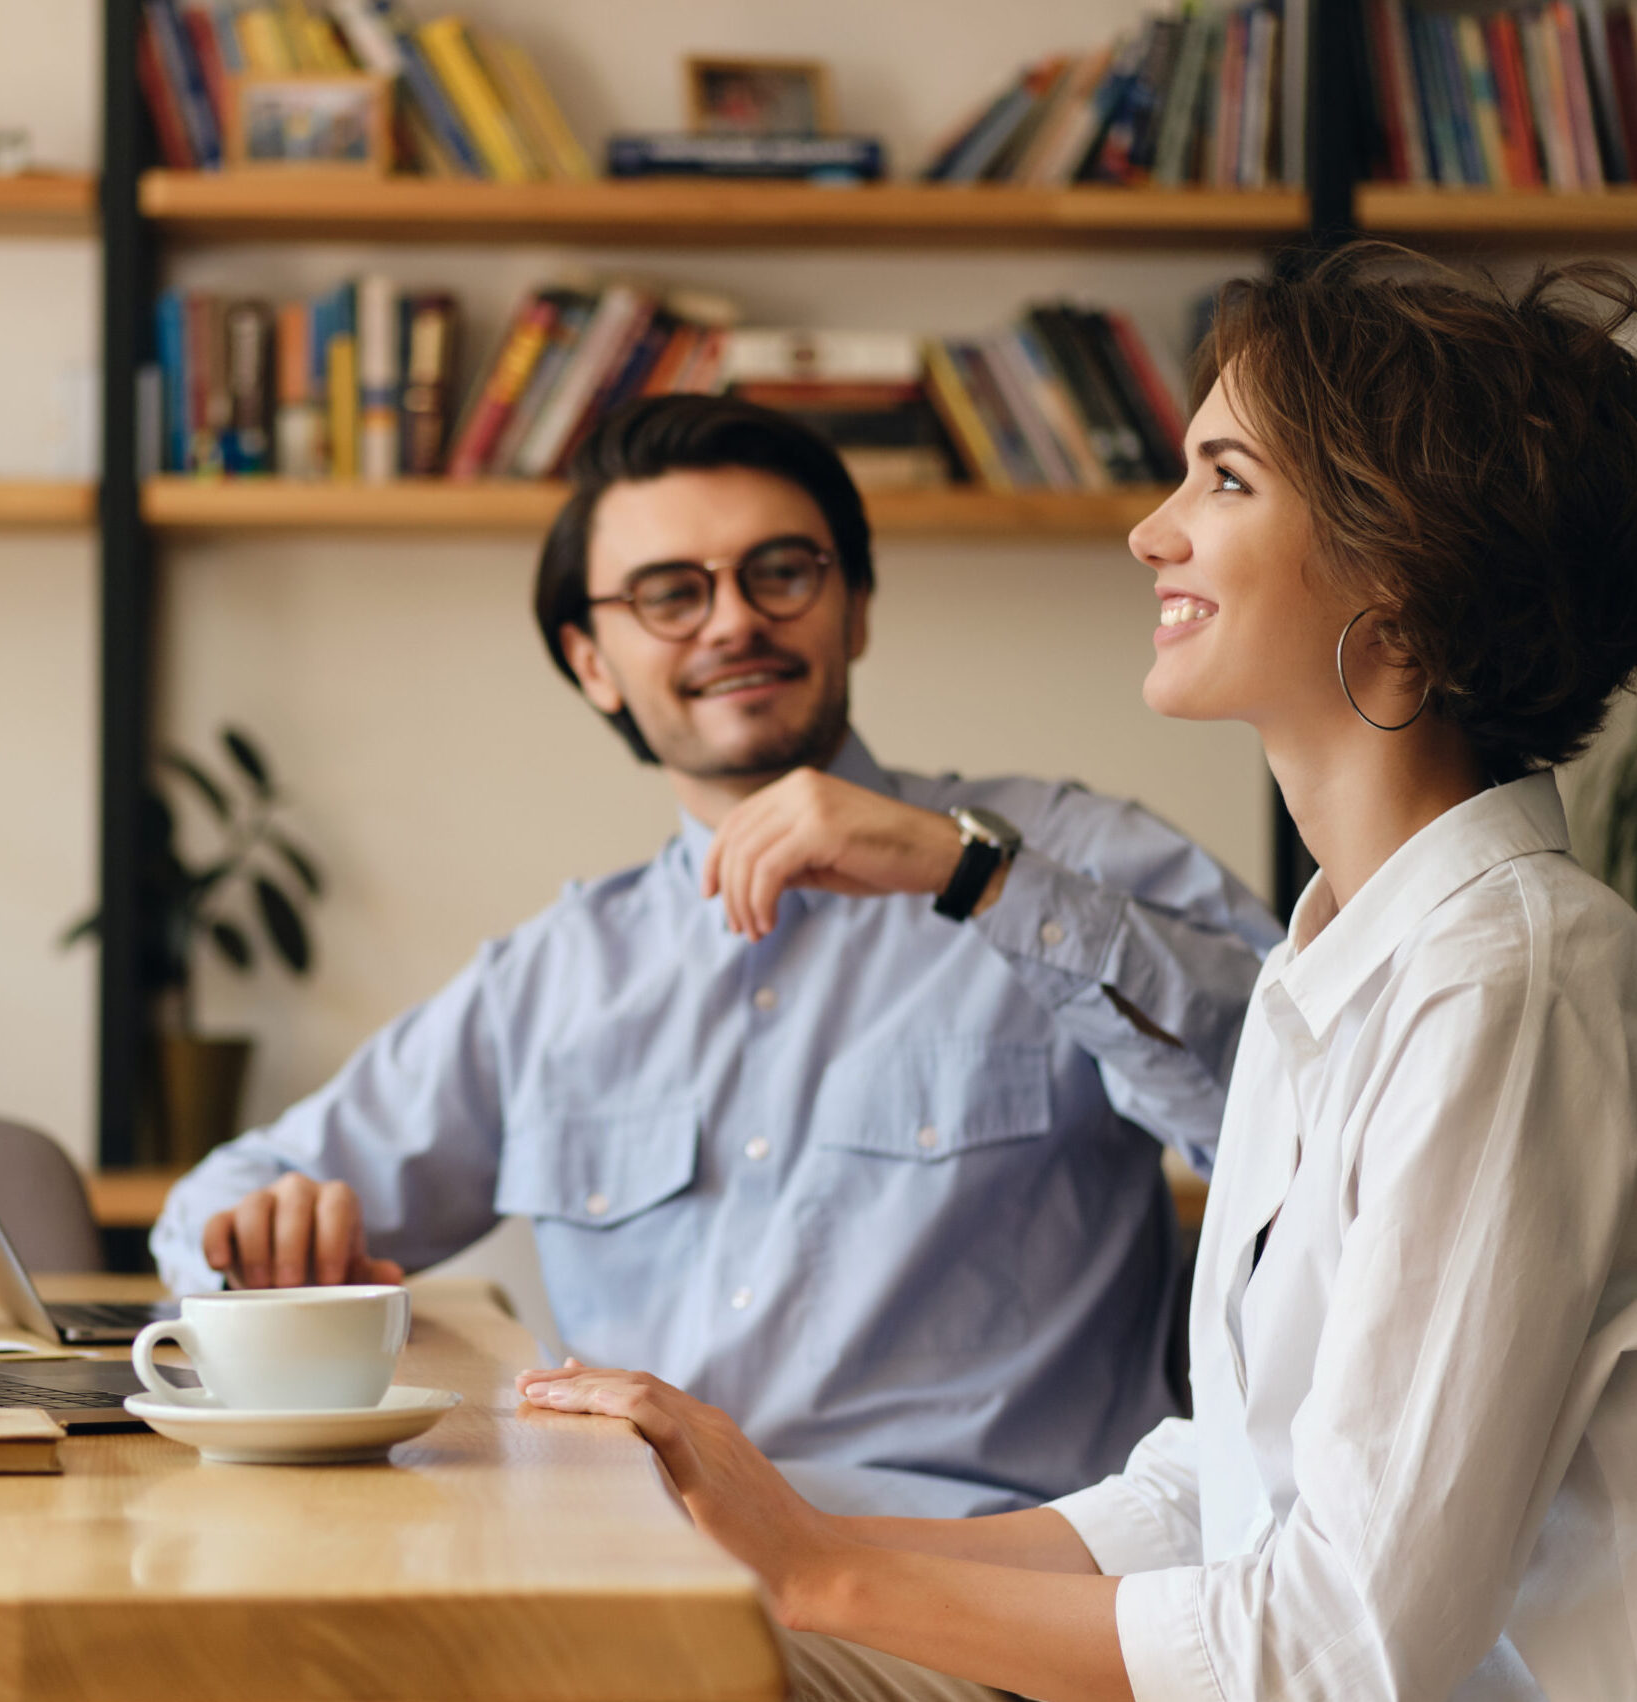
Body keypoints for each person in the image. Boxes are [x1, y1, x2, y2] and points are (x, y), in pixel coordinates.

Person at [516, 245, 1637, 1701]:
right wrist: (779, 1538)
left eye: (1222, 480)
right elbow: (1210, 1484)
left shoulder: (1508, 980)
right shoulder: (1334, 957)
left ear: (1403, 579)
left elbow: (1335, 1644)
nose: (1148, 533)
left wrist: (818, 1573)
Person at [151, 394, 1279, 1519]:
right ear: (594, 662)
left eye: (779, 572)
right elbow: (222, 1200)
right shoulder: (555, 976)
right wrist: (261, 1249)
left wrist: (971, 877)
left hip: (972, 1586)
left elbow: (1317, 1122)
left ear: (856, 608)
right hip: (640, 1569)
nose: (732, 621)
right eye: (670, 594)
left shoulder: (1068, 860)